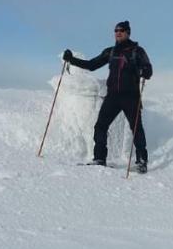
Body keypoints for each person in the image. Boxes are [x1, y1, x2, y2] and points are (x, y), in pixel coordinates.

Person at [63, 21, 153, 172]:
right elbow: (92, 65)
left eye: (122, 30)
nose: (118, 33)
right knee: (100, 126)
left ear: (128, 32)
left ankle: (141, 161)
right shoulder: (110, 52)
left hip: (131, 97)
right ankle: (99, 158)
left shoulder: (137, 51)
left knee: (136, 128)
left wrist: (145, 71)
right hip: (113, 97)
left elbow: (148, 69)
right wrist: (71, 59)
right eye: (116, 30)